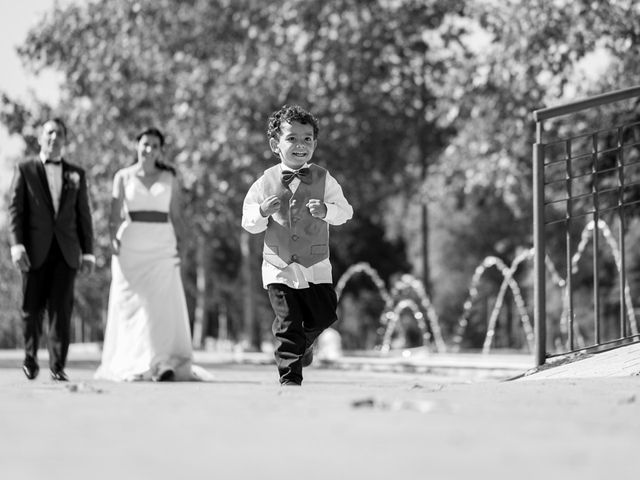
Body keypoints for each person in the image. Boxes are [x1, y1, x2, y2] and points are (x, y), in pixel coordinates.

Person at [242, 105, 353, 386]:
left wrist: (327, 211)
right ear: (275, 145)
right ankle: (290, 378)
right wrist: (262, 213)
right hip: (278, 267)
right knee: (287, 323)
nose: (300, 145)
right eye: (292, 138)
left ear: (314, 144)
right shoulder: (263, 183)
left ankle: (304, 343)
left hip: (315, 265)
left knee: (325, 313)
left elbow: (345, 212)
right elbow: (248, 221)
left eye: (307, 139)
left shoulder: (325, 179)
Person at [94, 127, 198, 382]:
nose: (149, 149)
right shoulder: (122, 176)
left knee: (159, 306)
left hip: (163, 247)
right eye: (145, 144)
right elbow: (114, 215)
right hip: (130, 249)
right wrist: (111, 240)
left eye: (154, 145)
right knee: (135, 307)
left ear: (161, 150)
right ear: (137, 146)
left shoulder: (170, 177)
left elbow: (177, 215)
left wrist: (182, 246)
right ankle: (135, 361)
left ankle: (161, 362)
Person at [8, 118, 95, 382]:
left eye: (59, 133)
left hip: (66, 251)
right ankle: (30, 357)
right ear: (41, 137)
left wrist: (88, 252)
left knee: (62, 310)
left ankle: (58, 366)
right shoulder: (25, 169)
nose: (54, 136)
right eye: (49, 132)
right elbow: (15, 210)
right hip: (34, 250)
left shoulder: (76, 173)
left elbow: (84, 215)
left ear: (65, 139)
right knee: (31, 308)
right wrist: (17, 245)